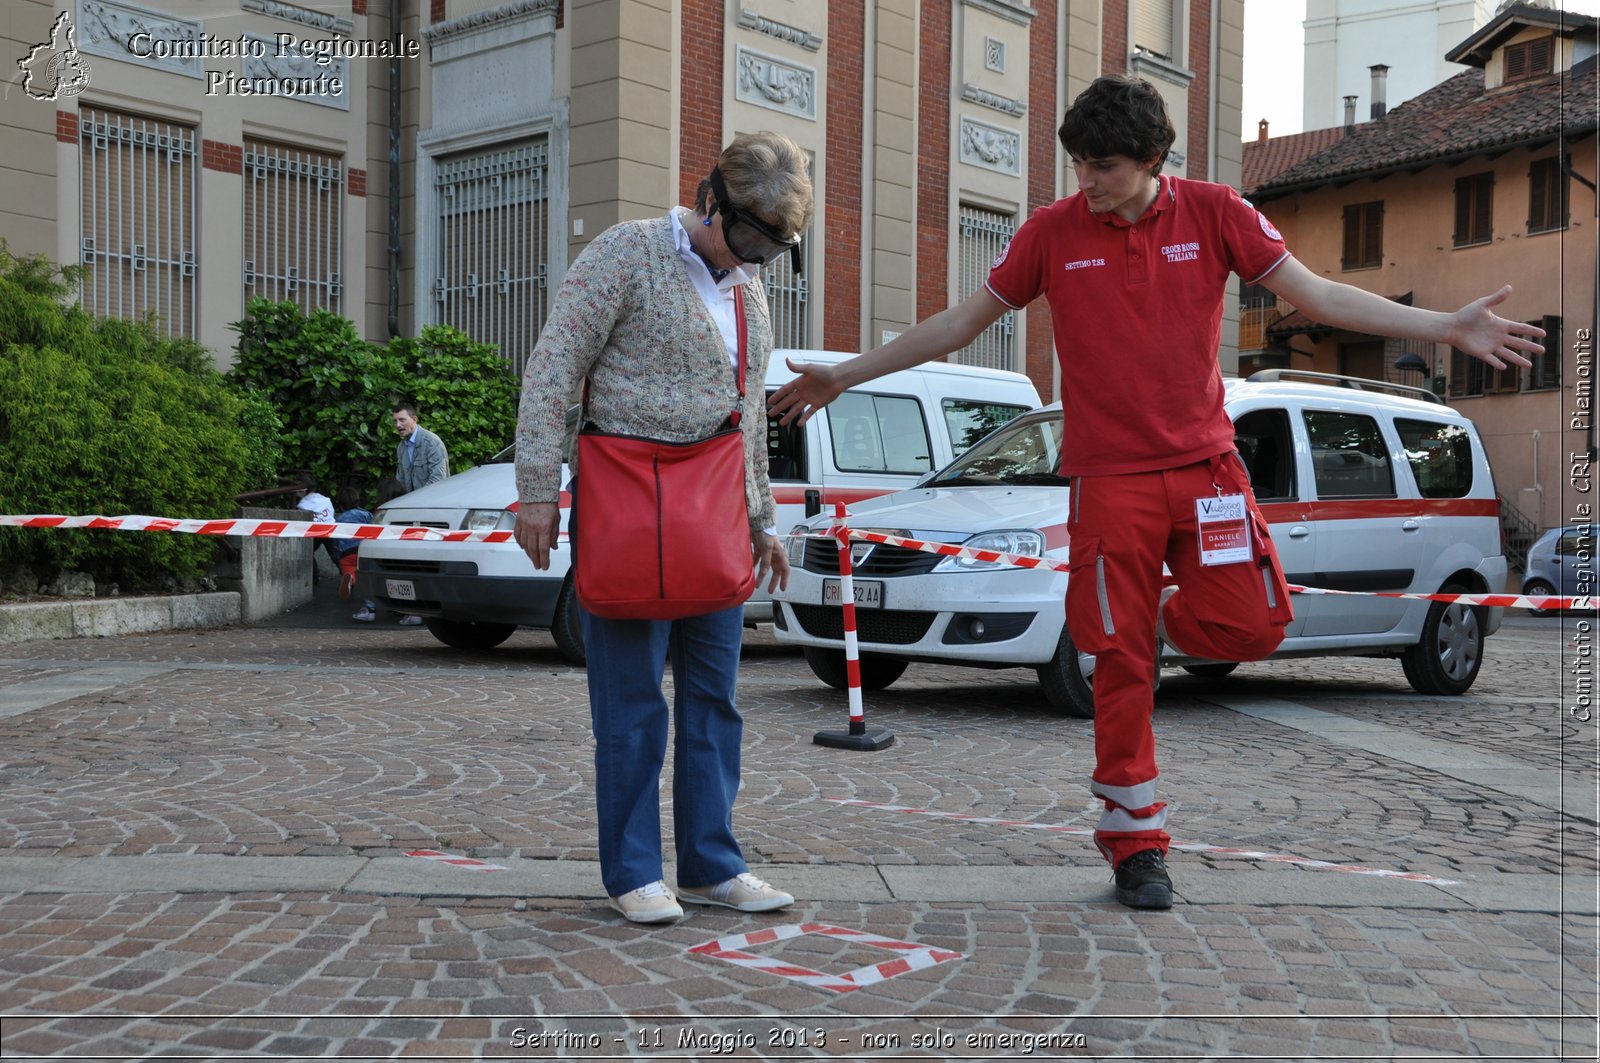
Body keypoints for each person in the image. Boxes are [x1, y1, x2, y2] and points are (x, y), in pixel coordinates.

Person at [768, 75, 1544, 911]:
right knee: (1119, 666)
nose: (1086, 180)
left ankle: (1146, 623)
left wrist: (1446, 326)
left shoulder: (1217, 213)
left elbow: (1316, 295)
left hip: (1207, 474)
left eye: (1101, 165)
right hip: (1108, 481)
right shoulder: (1051, 233)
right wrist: (843, 375)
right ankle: (1136, 844)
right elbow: (959, 322)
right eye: (1077, 164)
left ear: (1151, 159)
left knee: (1252, 621)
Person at [514, 131, 810, 924]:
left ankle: (713, 863)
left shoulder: (748, 288)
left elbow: (747, 413)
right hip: (629, 504)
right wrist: (536, 489)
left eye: (773, 249)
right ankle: (634, 869)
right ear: (712, 196)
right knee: (634, 701)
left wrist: (763, 519)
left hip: (713, 511)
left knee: (715, 700)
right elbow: (551, 368)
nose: (753, 257)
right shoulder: (626, 253)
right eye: (747, 236)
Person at [348, 478, 408, 623]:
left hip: (382, 555)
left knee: (371, 580)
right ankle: (410, 612)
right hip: (405, 555)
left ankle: (370, 609)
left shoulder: (381, 512)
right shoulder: (407, 510)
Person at [393, 402, 449, 494]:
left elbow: (438, 480)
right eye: (395, 421)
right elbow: (401, 481)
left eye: (402, 420)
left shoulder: (432, 442)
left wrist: (416, 501)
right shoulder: (401, 447)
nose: (398, 425)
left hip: (432, 503)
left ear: (414, 419)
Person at [293, 476, 337, 584]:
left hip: (314, 533)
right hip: (330, 529)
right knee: (336, 555)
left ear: (302, 489)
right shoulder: (325, 499)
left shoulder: (302, 505)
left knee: (307, 553)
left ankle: (314, 576)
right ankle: (348, 574)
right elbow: (332, 513)